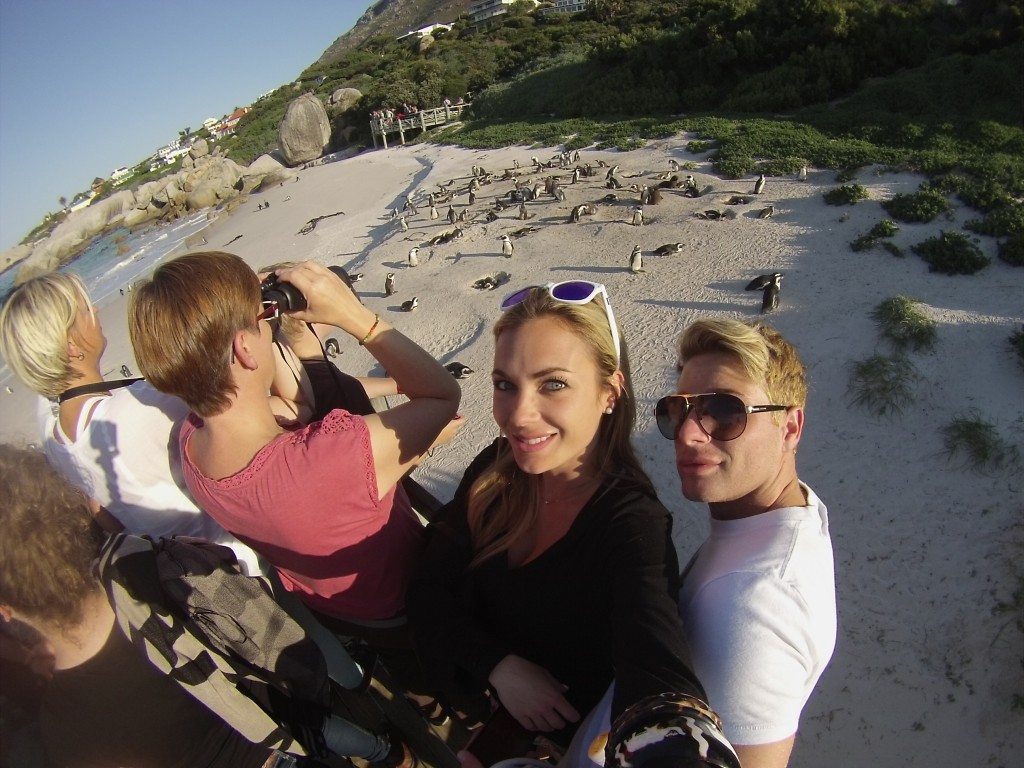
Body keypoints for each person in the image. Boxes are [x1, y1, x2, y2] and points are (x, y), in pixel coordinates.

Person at [127, 253, 461, 710]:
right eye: (263, 318)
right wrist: (352, 315)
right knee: (443, 664)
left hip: (339, 609)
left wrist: (275, 323)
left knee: (407, 671)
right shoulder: (329, 457)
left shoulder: (193, 444)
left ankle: (424, 704)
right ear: (244, 349)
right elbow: (442, 393)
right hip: (408, 597)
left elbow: (293, 403)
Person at [406, 282, 709, 760]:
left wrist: (675, 744)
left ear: (610, 393)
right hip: (466, 706)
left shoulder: (632, 525)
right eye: (505, 384)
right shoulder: (496, 469)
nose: (519, 416)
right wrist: (498, 665)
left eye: (553, 384)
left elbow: (652, 650)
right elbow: (426, 587)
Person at [0, 444, 416, 768]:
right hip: (273, 699)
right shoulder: (149, 561)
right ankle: (387, 753)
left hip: (268, 747)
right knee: (320, 727)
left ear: (5, 609)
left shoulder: (65, 737)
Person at [657, 318, 836, 768]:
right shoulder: (789, 514)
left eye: (724, 410)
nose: (689, 433)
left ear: (790, 427)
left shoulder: (753, 605)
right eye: (679, 410)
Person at [0, 271, 261, 575]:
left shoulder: (54, 436)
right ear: (72, 346)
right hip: (244, 557)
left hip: (186, 570)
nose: (95, 310)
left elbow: (45, 402)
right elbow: (233, 391)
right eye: (85, 309)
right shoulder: (134, 411)